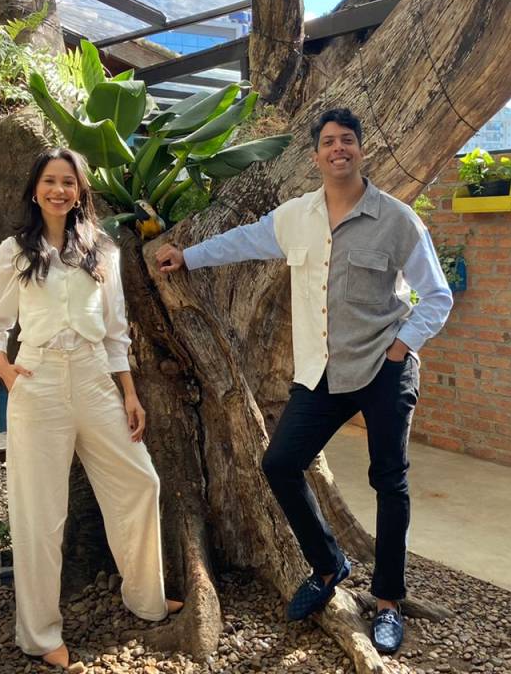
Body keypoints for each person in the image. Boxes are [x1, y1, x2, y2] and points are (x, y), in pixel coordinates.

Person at [155, 108, 453, 654]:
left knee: (390, 481)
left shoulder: (397, 219)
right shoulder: (296, 216)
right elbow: (243, 240)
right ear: (316, 155)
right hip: (320, 370)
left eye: (347, 141)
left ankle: (388, 601)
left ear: (361, 151)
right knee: (280, 463)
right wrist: (187, 257)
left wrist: (400, 347)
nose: (338, 149)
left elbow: (436, 295)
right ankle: (328, 563)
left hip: (384, 369)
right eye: (328, 142)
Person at [0, 148, 182, 669]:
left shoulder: (103, 250)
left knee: (141, 482)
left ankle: (145, 598)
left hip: (93, 377)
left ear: (80, 192)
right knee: (40, 514)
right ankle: (41, 636)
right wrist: (3, 368)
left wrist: (129, 393)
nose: (59, 190)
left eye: (68, 182)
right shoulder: (14, 252)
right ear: (35, 188)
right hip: (38, 380)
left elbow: (115, 333)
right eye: (50, 181)